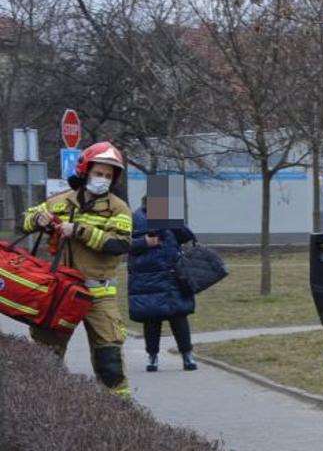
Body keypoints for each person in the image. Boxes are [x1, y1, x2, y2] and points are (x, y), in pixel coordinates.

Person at [22, 142, 134, 394]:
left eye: (108, 175)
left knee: (110, 361)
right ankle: (47, 411)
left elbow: (120, 244)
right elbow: (25, 221)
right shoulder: (60, 201)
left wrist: (80, 230)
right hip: (59, 292)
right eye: (98, 173)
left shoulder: (118, 208)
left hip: (98, 294)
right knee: (46, 357)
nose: (102, 179)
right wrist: (38, 219)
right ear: (85, 171)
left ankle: (119, 412)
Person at [128, 202, 198, 372]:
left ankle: (187, 354)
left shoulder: (169, 216)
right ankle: (152, 356)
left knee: (179, 316)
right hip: (148, 278)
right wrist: (144, 242)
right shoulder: (136, 218)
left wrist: (175, 222)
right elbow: (125, 244)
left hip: (173, 276)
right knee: (151, 318)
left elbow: (186, 236)